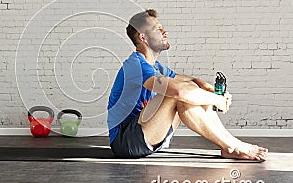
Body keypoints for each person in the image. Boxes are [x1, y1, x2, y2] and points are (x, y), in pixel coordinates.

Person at [107, 9, 268, 160]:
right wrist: (215, 100)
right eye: (157, 29)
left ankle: (229, 144)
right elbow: (178, 91)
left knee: (190, 91)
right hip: (125, 142)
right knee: (178, 95)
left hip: (149, 135)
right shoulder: (135, 66)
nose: (165, 32)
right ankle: (233, 147)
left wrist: (213, 92)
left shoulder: (157, 68)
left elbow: (193, 82)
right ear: (143, 38)